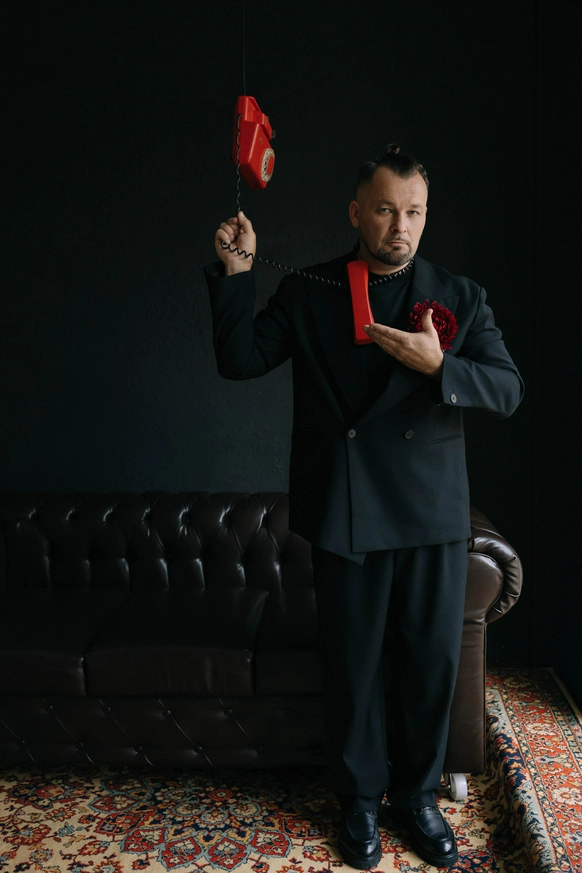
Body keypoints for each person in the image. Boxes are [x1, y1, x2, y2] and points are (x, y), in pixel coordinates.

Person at [203, 144, 524, 869]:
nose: (399, 226)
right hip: (347, 508)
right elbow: (239, 360)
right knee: (353, 665)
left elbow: (509, 389)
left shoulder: (460, 294)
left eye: (413, 212)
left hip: (432, 512)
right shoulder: (310, 289)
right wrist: (237, 274)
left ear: (426, 216)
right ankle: (357, 800)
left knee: (430, 663)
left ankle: (417, 796)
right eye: (384, 210)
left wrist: (441, 366)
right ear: (356, 212)